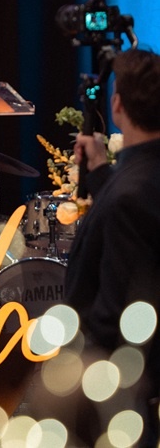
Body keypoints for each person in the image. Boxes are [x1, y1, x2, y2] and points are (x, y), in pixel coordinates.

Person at [64, 48, 160, 446]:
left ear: (117, 105)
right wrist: (103, 172)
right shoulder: (136, 180)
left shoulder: (129, 194)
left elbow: (118, 312)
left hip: (122, 393)